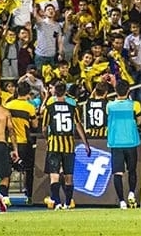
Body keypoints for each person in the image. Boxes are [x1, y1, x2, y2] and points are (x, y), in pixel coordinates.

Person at [41, 81, 91, 210]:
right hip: (69, 145)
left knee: (54, 175)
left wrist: (47, 139)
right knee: (69, 176)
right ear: (65, 92)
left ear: (55, 92)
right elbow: (78, 125)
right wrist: (86, 143)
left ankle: (57, 203)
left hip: (54, 144)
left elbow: (44, 127)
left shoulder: (49, 107)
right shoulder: (72, 107)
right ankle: (68, 203)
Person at [106, 79, 141, 209]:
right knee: (132, 170)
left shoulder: (109, 106)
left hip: (116, 142)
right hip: (131, 141)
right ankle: (131, 193)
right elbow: (139, 121)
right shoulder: (135, 105)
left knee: (118, 173)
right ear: (128, 91)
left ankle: (121, 201)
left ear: (115, 91)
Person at [4, 81, 38, 205]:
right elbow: (35, 125)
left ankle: (5, 196)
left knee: (6, 170)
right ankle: (29, 196)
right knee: (28, 170)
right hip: (24, 142)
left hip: (9, 142)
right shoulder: (29, 107)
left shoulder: (8, 105)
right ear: (28, 93)